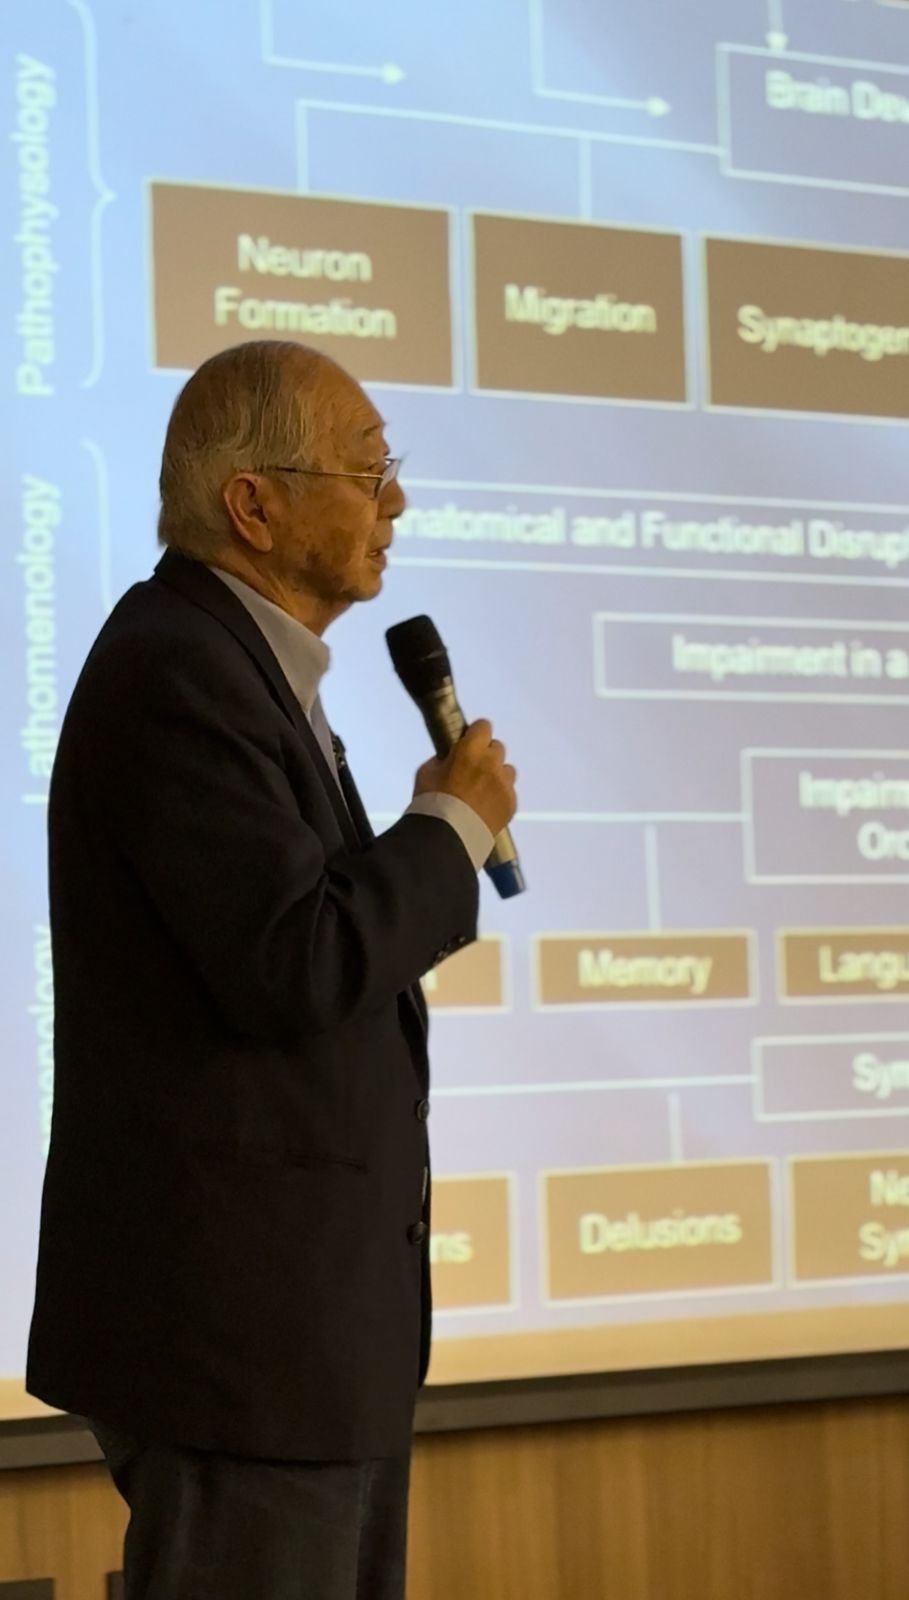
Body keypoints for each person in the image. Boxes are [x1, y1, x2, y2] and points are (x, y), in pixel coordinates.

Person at [26, 340, 518, 1599]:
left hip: (303, 1343)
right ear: (254, 504)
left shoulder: (245, 669)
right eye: (368, 471)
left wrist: (433, 833)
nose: (396, 501)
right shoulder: (179, 667)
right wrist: (448, 828)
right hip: (240, 1350)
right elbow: (292, 958)